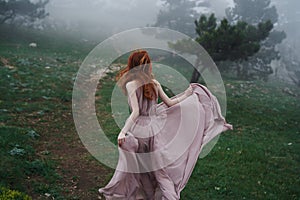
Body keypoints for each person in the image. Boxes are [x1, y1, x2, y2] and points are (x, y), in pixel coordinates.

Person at [98, 50, 233, 199]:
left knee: (143, 169)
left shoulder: (131, 84)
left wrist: (123, 131)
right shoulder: (154, 83)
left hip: (140, 130)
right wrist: (187, 95)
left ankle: (148, 195)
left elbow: (136, 112)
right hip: (156, 127)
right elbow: (169, 103)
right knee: (158, 170)